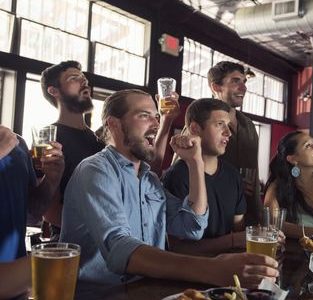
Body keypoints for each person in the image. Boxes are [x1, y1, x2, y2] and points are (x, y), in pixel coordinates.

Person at [60, 89, 278, 288]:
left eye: (156, 117)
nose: (156, 124)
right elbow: (120, 249)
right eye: (144, 115)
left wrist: (195, 164)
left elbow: (192, 226)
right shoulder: (96, 170)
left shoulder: (149, 179)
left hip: (146, 289)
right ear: (114, 124)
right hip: (102, 294)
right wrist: (212, 268)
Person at [41, 60, 179, 238]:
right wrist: (103, 224)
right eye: (74, 78)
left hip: (117, 241)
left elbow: (150, 168)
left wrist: (166, 121)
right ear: (54, 91)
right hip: (77, 247)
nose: (84, 82)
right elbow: (49, 212)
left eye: (84, 78)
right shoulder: (48, 137)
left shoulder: (98, 138)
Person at [173, 61, 261, 225]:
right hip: (211, 220)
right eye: (236, 81)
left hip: (248, 216)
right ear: (216, 87)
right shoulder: (199, 124)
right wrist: (227, 183)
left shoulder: (248, 125)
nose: (243, 88)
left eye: (244, 82)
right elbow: (184, 168)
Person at [163, 98, 247, 256]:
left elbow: (239, 231)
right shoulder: (177, 176)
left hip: (230, 269)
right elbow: (177, 248)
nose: (228, 133)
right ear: (195, 129)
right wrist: (233, 240)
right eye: (220, 124)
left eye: (228, 126)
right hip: (191, 272)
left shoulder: (233, 174)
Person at [0, 125, 64, 298]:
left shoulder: (18, 144)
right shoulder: (6, 143)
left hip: (19, 284)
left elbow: (31, 215)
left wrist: (51, 179)